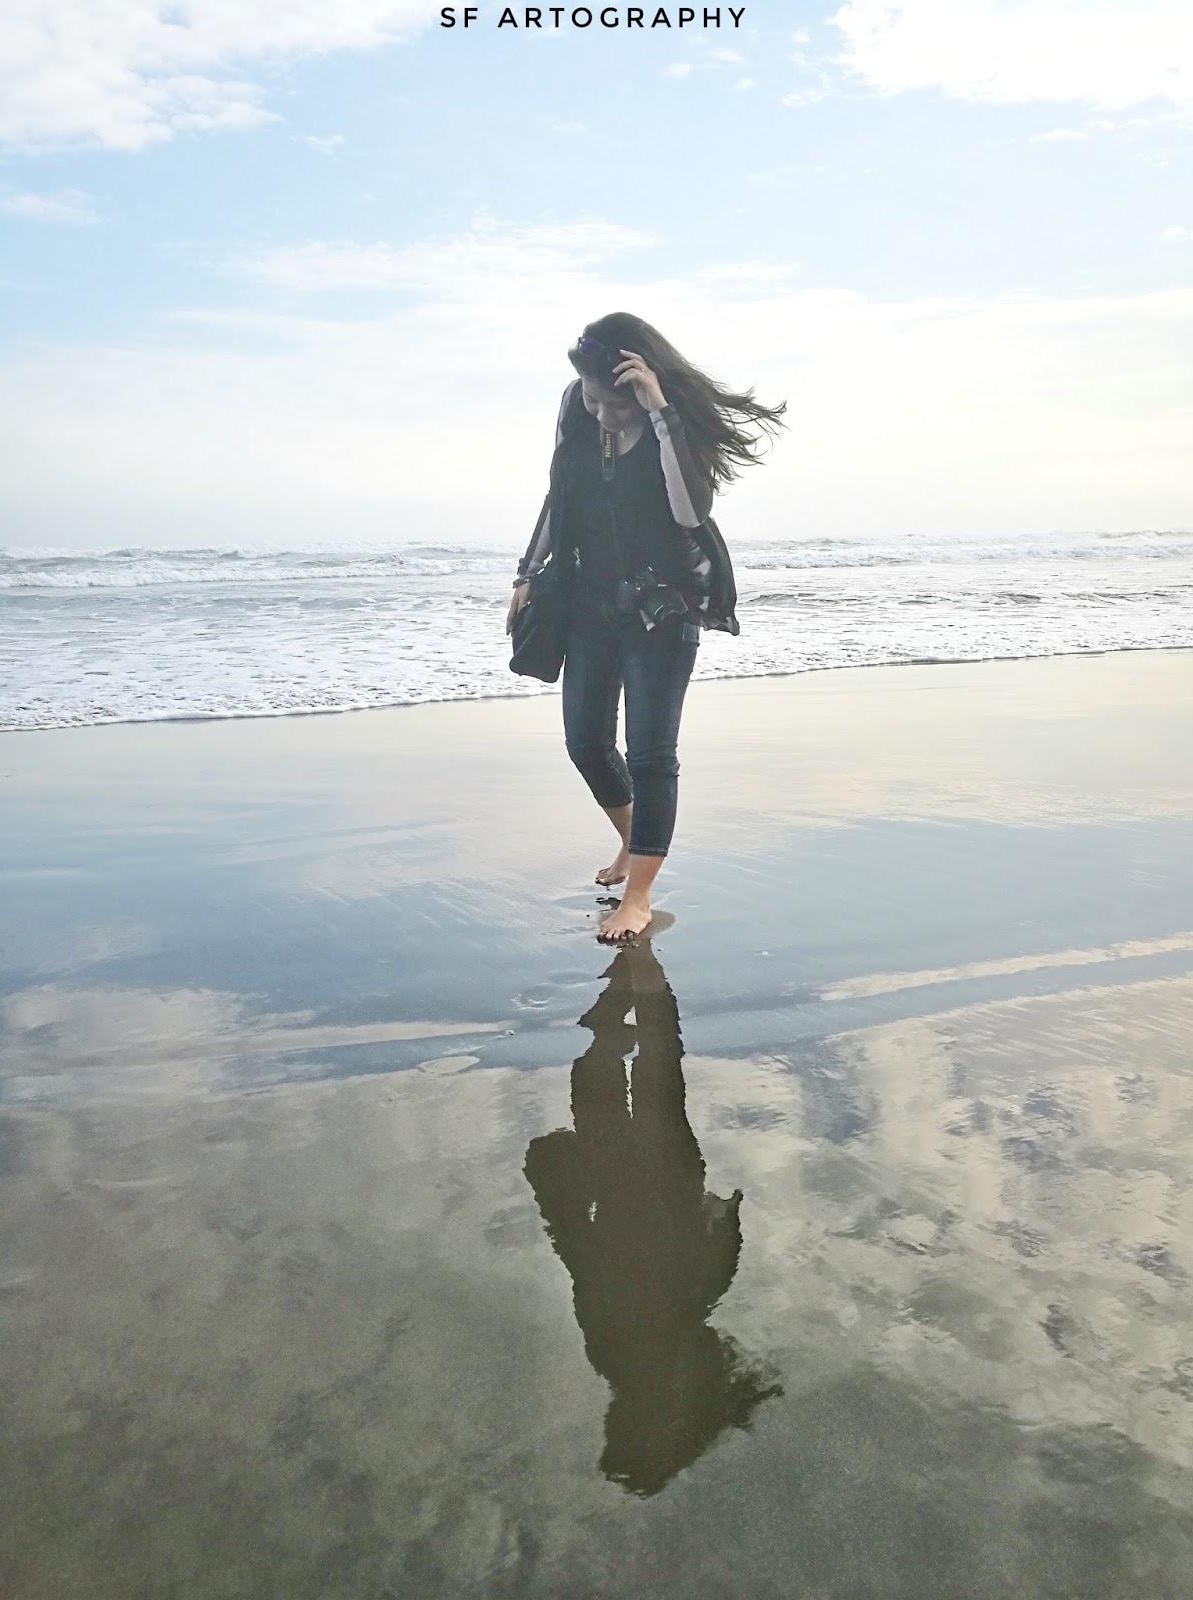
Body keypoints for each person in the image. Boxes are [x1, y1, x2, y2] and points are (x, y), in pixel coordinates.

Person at [506, 312, 786, 942]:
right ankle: (634, 841)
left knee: (651, 755)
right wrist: (527, 572)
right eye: (593, 400)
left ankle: (638, 896)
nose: (603, 415)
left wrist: (660, 414)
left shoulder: (669, 420)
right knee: (586, 742)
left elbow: (688, 513)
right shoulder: (577, 409)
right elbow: (559, 495)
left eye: (617, 404)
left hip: (664, 606)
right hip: (590, 601)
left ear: (644, 387)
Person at [523, 941, 782, 1495]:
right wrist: (551, 1188)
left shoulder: (655, 1350)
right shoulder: (627, 1351)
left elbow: (582, 1254)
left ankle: (630, 974)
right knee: (625, 1069)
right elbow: (579, 1252)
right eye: (620, 1429)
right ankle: (629, 973)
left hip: (656, 1183)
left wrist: (723, 1219)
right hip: (635, 1184)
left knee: (652, 1065)